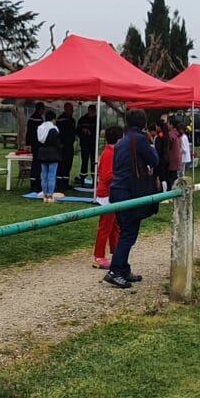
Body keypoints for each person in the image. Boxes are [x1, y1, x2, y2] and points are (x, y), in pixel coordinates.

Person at [105, 108, 158, 288]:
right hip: (130, 190)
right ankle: (115, 271)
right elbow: (154, 160)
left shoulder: (121, 142)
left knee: (125, 230)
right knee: (128, 233)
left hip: (117, 190)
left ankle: (123, 267)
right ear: (143, 123)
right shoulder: (140, 140)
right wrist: (152, 145)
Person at [92, 125, 123, 269]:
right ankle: (98, 256)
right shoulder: (109, 153)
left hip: (113, 193)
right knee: (105, 226)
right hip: (107, 195)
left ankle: (116, 253)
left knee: (114, 226)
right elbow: (107, 176)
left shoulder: (111, 151)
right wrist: (122, 176)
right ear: (119, 139)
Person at [35, 109, 62, 202]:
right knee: (51, 175)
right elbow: (57, 143)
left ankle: (44, 195)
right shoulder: (54, 129)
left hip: (42, 152)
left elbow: (39, 140)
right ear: (53, 119)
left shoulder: (40, 128)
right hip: (53, 153)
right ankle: (50, 195)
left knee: (44, 175)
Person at [55, 102, 76, 191]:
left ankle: (66, 183)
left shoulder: (72, 120)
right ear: (65, 109)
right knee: (61, 165)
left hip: (70, 145)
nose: (71, 111)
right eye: (70, 109)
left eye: (72, 109)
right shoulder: (60, 120)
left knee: (68, 164)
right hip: (62, 146)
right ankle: (59, 184)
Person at [25, 102, 46, 193]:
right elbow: (30, 133)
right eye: (43, 109)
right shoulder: (35, 119)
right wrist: (29, 144)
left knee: (37, 165)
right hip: (36, 145)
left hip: (36, 145)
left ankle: (36, 183)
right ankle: (34, 185)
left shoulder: (37, 118)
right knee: (36, 165)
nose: (44, 110)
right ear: (40, 109)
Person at [76, 104, 97, 184]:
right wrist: (83, 131)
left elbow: (98, 130)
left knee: (93, 161)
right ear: (88, 110)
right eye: (91, 111)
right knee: (84, 160)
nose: (93, 112)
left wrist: (91, 132)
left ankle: (94, 178)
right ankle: (82, 178)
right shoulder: (82, 119)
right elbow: (77, 131)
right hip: (84, 143)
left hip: (93, 143)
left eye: (94, 111)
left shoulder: (97, 119)